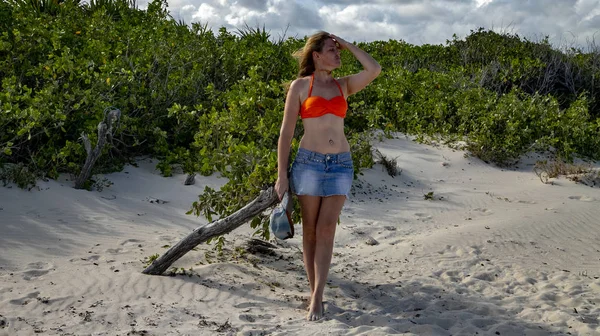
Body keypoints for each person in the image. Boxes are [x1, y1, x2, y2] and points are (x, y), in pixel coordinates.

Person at [275, 31, 381, 321]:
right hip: (308, 164)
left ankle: (318, 296)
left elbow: (374, 69)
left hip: (340, 165)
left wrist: (346, 43)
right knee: (310, 231)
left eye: (338, 50)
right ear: (316, 55)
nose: (338, 55)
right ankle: (314, 294)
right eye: (332, 50)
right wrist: (281, 175)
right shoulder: (300, 86)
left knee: (326, 229)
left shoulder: (343, 85)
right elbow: (286, 134)